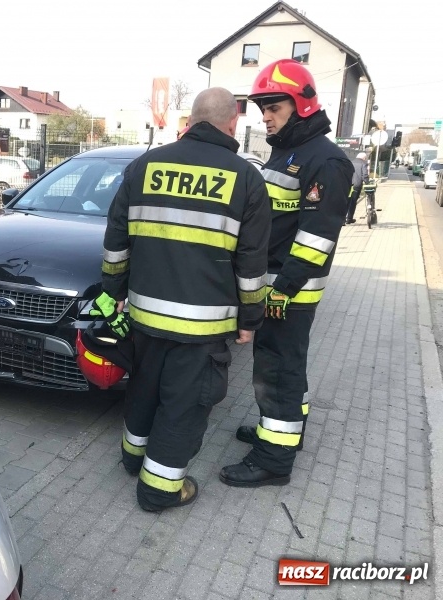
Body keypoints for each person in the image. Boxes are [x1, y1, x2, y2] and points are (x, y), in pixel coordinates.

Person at [92, 87, 271, 511]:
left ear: (191, 121)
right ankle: (160, 490)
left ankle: (133, 458)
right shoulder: (246, 179)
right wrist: (251, 319)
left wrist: (113, 293)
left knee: (145, 389)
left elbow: (116, 242)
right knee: (184, 405)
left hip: (145, 316)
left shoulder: (144, 166)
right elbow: (251, 264)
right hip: (202, 326)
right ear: (233, 124)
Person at [221, 59, 354, 487]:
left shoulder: (326, 161)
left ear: (301, 105)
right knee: (283, 363)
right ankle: (280, 433)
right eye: (261, 107)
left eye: (274, 106)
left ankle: (273, 460)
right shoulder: (290, 153)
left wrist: (282, 291)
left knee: (277, 369)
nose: (266, 116)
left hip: (289, 290)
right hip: (277, 284)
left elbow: (317, 237)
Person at [344, 152, 369, 224]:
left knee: (346, 201)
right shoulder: (363, 163)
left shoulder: (351, 162)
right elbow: (364, 175)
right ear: (364, 158)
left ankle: (343, 220)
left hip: (348, 184)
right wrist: (367, 182)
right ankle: (349, 218)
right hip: (356, 185)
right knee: (353, 202)